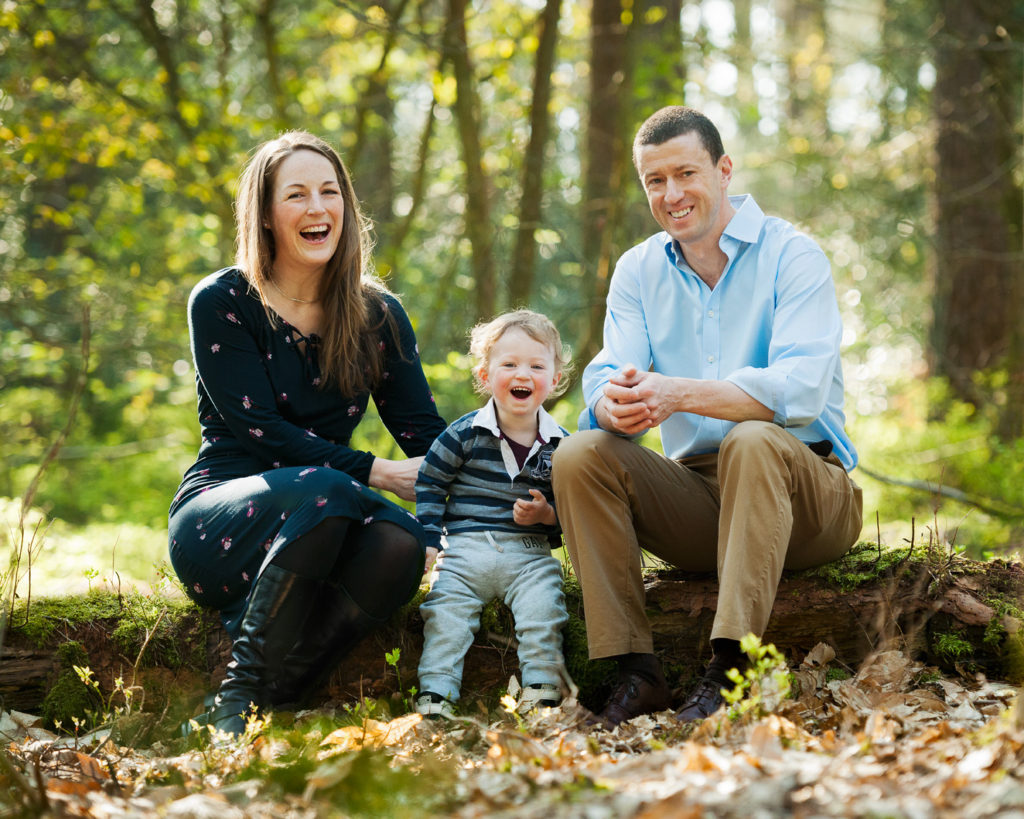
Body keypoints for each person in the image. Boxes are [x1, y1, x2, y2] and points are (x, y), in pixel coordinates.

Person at [551, 106, 863, 728]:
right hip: (700, 500)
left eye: (686, 174)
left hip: (808, 496)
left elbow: (799, 390)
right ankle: (636, 671)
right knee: (579, 453)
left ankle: (733, 668)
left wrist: (679, 394)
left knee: (753, 439)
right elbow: (614, 370)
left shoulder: (793, 256)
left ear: (723, 171)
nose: (672, 195)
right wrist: (611, 402)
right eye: (655, 182)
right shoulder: (639, 269)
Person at [168, 131, 446, 736]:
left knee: (398, 538)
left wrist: (468, 504)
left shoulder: (377, 314)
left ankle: (286, 692)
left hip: (327, 518)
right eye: (296, 195)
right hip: (221, 526)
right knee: (331, 488)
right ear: (266, 216)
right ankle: (234, 703)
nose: (318, 208)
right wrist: (374, 472)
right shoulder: (223, 302)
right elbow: (262, 432)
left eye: (329, 192)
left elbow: (427, 436)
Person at [413, 310, 572, 719]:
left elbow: (572, 511)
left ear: (554, 380)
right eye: (510, 364)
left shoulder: (563, 447)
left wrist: (546, 516)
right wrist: (429, 540)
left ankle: (540, 689)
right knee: (445, 614)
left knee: (544, 610)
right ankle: (436, 694)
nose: (524, 374)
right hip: (466, 551)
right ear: (485, 376)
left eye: (537, 366)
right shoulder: (463, 434)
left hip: (530, 554)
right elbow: (431, 483)